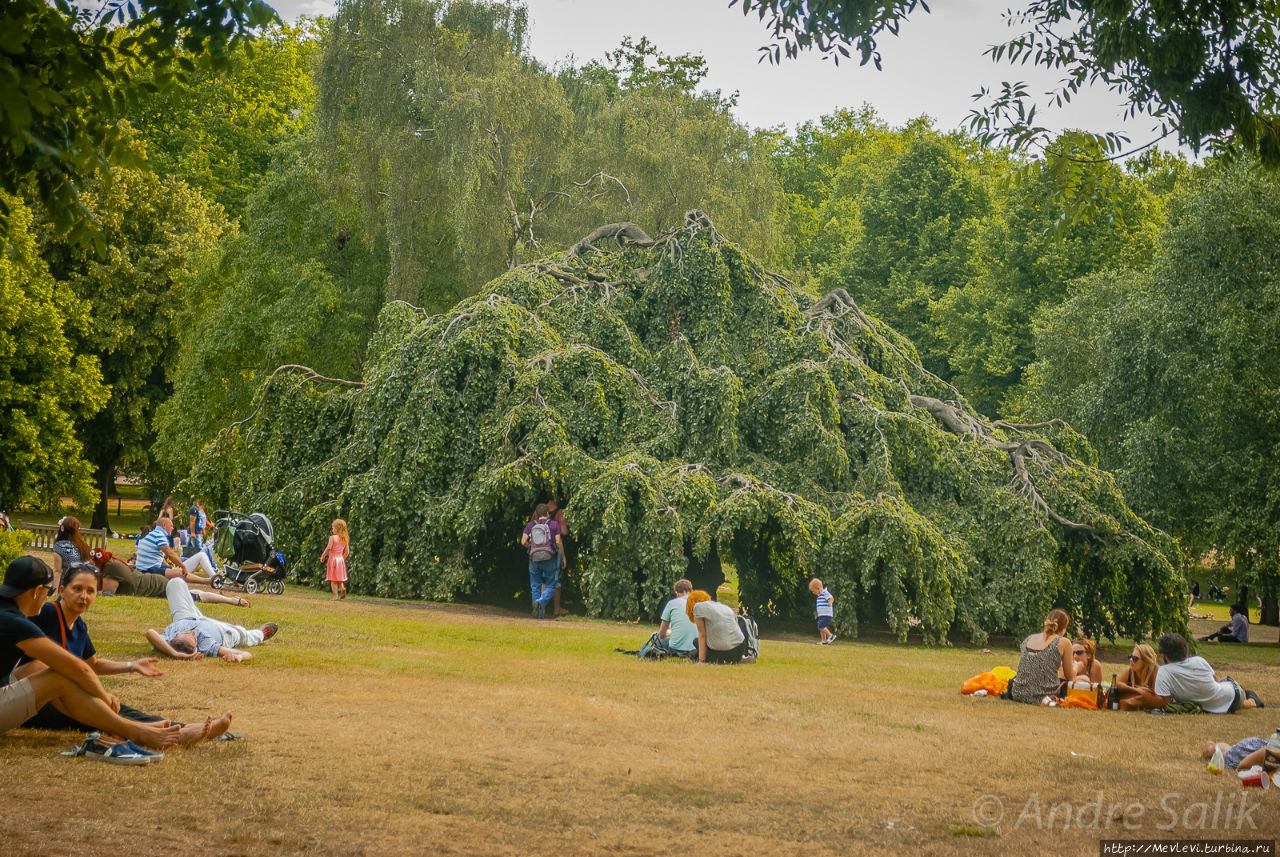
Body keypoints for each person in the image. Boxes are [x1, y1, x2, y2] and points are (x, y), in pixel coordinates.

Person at [14, 562, 233, 745]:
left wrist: (131, 666)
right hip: (38, 702)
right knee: (96, 707)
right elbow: (39, 668)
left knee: (117, 707)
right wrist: (97, 693)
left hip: (62, 694)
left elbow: (94, 664)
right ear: (62, 590)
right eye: (77, 589)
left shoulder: (78, 626)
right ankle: (165, 733)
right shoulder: (48, 615)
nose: (84, 596)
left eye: (90, 591)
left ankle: (178, 727)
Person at [0, 556, 180, 749]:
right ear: (37, 592)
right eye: (49, 590)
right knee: (60, 677)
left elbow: (89, 664)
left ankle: (137, 727)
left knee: (64, 679)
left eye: (90, 591)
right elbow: (77, 668)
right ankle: (137, 730)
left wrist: (130, 666)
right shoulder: (19, 621)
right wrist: (105, 697)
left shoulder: (8, 613)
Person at [145, 577, 279, 663]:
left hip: (187, 617)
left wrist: (174, 654)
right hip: (221, 631)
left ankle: (197, 595)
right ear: (197, 646)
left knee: (175, 583)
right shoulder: (205, 644)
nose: (192, 633)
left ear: (175, 637)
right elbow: (246, 653)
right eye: (194, 638)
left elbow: (150, 633)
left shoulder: (168, 637)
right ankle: (260, 635)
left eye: (188, 634)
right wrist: (239, 657)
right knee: (243, 634)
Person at [88, 544, 248, 605]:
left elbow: (108, 594)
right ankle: (216, 593)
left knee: (196, 598)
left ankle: (232, 601)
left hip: (158, 586)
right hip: (157, 582)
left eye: (92, 563)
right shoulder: (112, 564)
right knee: (191, 594)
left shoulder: (111, 568)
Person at [1147, 632, 1263, 713]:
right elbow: (1216, 681)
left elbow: (1165, 701)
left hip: (1232, 696)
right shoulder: (1199, 660)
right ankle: (1244, 692)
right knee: (1229, 687)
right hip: (1229, 693)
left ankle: (1252, 699)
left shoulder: (1164, 671)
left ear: (1165, 655)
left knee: (1246, 702)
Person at [1008, 608, 1076, 704]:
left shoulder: (1029, 638)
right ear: (1064, 627)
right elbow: (1069, 676)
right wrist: (1078, 668)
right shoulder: (1064, 642)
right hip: (1045, 695)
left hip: (1018, 693)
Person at [134, 516, 218, 580]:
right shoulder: (159, 535)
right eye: (171, 526)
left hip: (147, 569)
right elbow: (170, 554)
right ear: (164, 525)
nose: (173, 528)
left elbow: (158, 557)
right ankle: (213, 578)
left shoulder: (152, 534)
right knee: (202, 555)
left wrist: (169, 567)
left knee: (201, 555)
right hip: (151, 571)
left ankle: (213, 577)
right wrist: (182, 567)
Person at [521, 503, 565, 619]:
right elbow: (558, 542)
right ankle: (542, 601)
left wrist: (531, 547)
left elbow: (523, 541)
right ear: (547, 514)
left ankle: (537, 610)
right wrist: (563, 557)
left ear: (536, 514)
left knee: (535, 585)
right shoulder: (554, 524)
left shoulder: (530, 525)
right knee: (551, 584)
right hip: (550, 559)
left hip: (534, 559)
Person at [686, 590, 748, 664]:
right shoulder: (724, 607)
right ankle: (740, 659)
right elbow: (738, 629)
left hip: (722, 652)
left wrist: (701, 661)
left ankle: (701, 657)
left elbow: (702, 635)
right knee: (696, 645)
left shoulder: (697, 607)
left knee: (695, 646)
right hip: (739, 648)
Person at [655, 579, 698, 656]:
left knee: (654, 636)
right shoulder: (700, 604)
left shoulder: (672, 604)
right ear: (691, 590)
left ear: (677, 593)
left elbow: (661, 634)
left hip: (675, 649)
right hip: (696, 649)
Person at [1111, 643, 1159, 710]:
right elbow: (1115, 687)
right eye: (1130, 656)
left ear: (1146, 661)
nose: (1131, 660)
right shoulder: (1129, 671)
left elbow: (1156, 699)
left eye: (1135, 658)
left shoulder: (1156, 673)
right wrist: (1138, 690)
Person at [320, 518, 349, 600]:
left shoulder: (332, 538)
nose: (332, 530)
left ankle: (335, 595)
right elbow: (347, 552)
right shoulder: (345, 539)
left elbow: (329, 548)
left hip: (333, 559)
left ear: (337, 529)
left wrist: (323, 556)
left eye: (333, 528)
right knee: (338, 577)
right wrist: (342, 559)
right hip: (340, 559)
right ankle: (342, 588)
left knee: (333, 578)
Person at [1202, 738, 1272, 772]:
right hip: (1249, 750)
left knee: (1228, 750)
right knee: (1224, 753)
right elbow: (1242, 766)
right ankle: (1211, 747)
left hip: (1254, 748)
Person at [809, 577, 836, 644]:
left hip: (826, 614)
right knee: (821, 627)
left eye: (813, 590)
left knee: (821, 626)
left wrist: (830, 602)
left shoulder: (825, 592)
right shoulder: (819, 595)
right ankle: (823, 640)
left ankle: (830, 635)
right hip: (822, 614)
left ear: (818, 588)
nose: (813, 592)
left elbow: (831, 598)